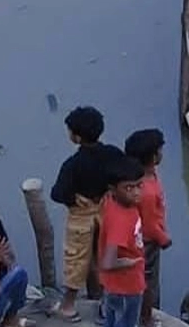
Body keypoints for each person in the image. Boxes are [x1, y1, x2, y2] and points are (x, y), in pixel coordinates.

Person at [50, 106, 124, 322]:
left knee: (76, 260)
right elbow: (124, 174)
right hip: (105, 212)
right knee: (106, 258)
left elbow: (58, 193)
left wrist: (74, 199)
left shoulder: (72, 165)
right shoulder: (112, 154)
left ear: (77, 137)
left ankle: (68, 306)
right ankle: (105, 306)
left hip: (81, 217)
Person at [123, 130, 170, 327]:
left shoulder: (137, 179)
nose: (162, 153)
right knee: (148, 280)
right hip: (147, 242)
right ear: (153, 157)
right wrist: (163, 238)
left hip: (131, 239)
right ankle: (146, 319)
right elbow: (149, 225)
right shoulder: (148, 191)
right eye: (160, 150)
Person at [98, 157, 146, 327]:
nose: (136, 192)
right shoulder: (121, 221)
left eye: (139, 185)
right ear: (113, 189)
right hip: (126, 286)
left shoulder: (114, 203)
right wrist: (129, 262)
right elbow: (108, 262)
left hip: (115, 285)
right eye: (129, 188)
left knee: (113, 319)